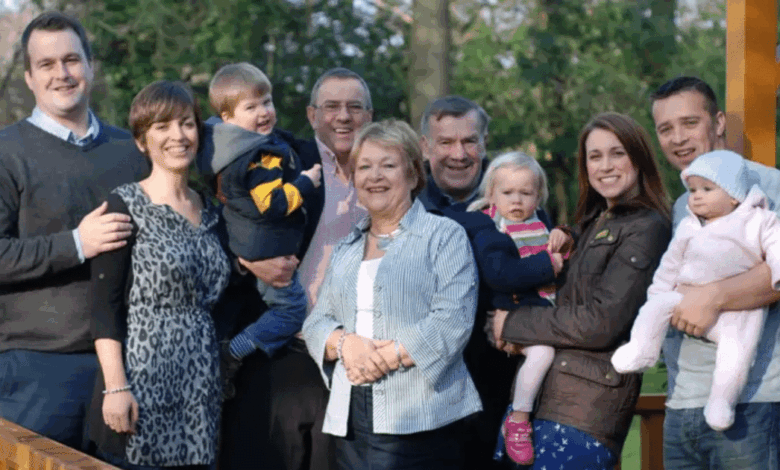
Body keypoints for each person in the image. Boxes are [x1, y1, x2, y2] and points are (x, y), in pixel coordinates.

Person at [487, 112, 671, 469]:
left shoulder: (647, 227)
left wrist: (509, 324)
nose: (605, 166)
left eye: (617, 153)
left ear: (638, 157)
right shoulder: (592, 221)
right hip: (541, 402)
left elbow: (600, 322)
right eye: (594, 156)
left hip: (584, 412)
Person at [0, 11, 148, 450]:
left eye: (71, 60)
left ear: (90, 66)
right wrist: (77, 244)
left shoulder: (132, 151)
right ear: (28, 77)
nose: (61, 74)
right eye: (46, 65)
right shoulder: (7, 152)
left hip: (129, 367)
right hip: (36, 369)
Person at [302, 118, 482, 469]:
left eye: (388, 165)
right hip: (349, 416)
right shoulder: (346, 248)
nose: (375, 176)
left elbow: (453, 320)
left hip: (420, 412)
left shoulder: (444, 236)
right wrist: (344, 344)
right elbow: (316, 323)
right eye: (365, 167)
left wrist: (385, 358)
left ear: (414, 175)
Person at [218, 67, 373, 470]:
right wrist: (247, 259)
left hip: (355, 356)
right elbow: (229, 207)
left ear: (369, 117)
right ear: (311, 115)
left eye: (354, 107)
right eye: (332, 107)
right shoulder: (285, 157)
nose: (343, 117)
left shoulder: (381, 171)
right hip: (286, 345)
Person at [87, 81, 231, 470]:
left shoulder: (214, 211)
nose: (177, 136)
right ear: (141, 141)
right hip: (141, 384)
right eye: (162, 126)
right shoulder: (124, 205)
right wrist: (116, 387)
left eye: (186, 124)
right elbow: (104, 305)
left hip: (200, 388)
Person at [650, 76, 780, 469]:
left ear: (719, 122)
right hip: (685, 402)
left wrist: (713, 297)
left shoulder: (767, 184)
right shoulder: (681, 206)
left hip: (753, 404)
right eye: (665, 129)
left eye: (690, 123)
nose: (678, 138)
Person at [417, 95, 553, 468]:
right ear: (425, 146)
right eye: (445, 142)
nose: (458, 154)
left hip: (505, 383)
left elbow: (551, 283)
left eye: (469, 141)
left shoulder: (520, 198)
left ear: (484, 143)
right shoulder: (410, 204)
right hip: (429, 393)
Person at [612, 150, 780, 432]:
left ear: (733, 195)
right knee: (653, 307)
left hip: (739, 312)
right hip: (684, 298)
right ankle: (642, 349)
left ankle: (721, 401)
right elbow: (670, 265)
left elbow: (776, 247)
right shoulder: (689, 226)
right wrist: (659, 295)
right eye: (692, 190)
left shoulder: (760, 220)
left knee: (737, 353)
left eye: (707, 189)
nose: (696, 196)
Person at [200, 62, 322, 371]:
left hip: (257, 244)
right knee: (291, 312)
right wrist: (306, 183)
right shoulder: (258, 155)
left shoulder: (231, 148)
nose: (263, 112)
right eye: (251, 107)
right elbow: (273, 203)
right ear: (228, 118)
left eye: (267, 102)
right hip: (265, 249)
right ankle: (235, 350)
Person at [466, 152, 571, 465]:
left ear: (538, 197)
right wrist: (548, 265)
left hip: (537, 311)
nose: (516, 201)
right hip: (509, 313)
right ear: (491, 196)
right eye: (507, 193)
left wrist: (566, 235)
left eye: (525, 193)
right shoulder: (491, 228)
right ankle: (518, 420)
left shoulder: (539, 223)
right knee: (543, 354)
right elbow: (501, 275)